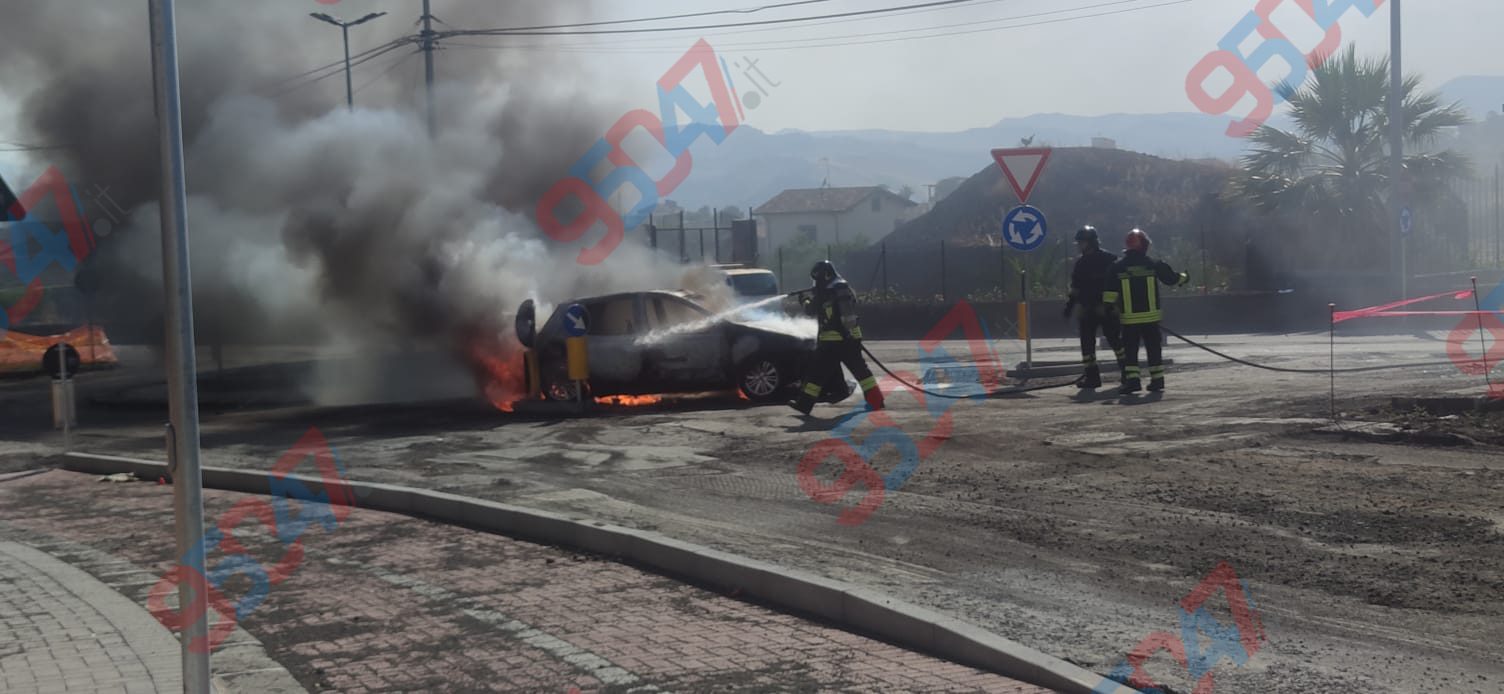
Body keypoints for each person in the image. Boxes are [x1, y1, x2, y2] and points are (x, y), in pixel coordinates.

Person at [790, 260, 885, 414]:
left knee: (816, 374)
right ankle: (877, 401)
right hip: (849, 340)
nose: (816, 283)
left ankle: (804, 404)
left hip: (832, 343)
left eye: (817, 279)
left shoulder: (829, 291)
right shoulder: (840, 288)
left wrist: (804, 300)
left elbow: (810, 310)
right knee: (862, 372)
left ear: (825, 276)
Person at [1102, 229, 1189, 394]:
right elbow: (1171, 279)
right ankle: (1157, 381)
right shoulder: (1153, 263)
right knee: (1154, 348)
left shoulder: (1117, 267)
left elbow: (1109, 296)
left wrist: (1108, 313)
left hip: (1129, 320)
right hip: (1151, 319)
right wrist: (1185, 277)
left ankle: (1133, 382)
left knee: (1130, 352)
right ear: (1144, 246)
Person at [1063, 226, 1124, 389]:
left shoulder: (1086, 263)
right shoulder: (1109, 259)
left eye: (1081, 243)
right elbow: (1076, 288)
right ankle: (1122, 375)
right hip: (1099, 308)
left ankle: (1099, 377)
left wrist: (1069, 308)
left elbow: (1075, 289)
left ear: (1089, 243)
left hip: (1097, 309)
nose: (1079, 246)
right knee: (1107, 342)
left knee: (1099, 343)